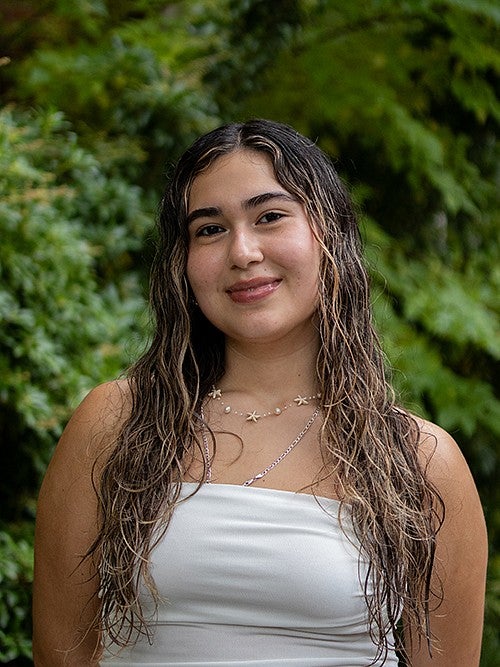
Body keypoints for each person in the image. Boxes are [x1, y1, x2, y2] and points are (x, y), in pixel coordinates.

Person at [32, 119, 487, 666]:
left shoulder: (419, 461)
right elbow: (60, 655)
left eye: (269, 216)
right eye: (209, 229)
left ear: (329, 235)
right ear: (181, 262)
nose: (242, 252)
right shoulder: (114, 424)